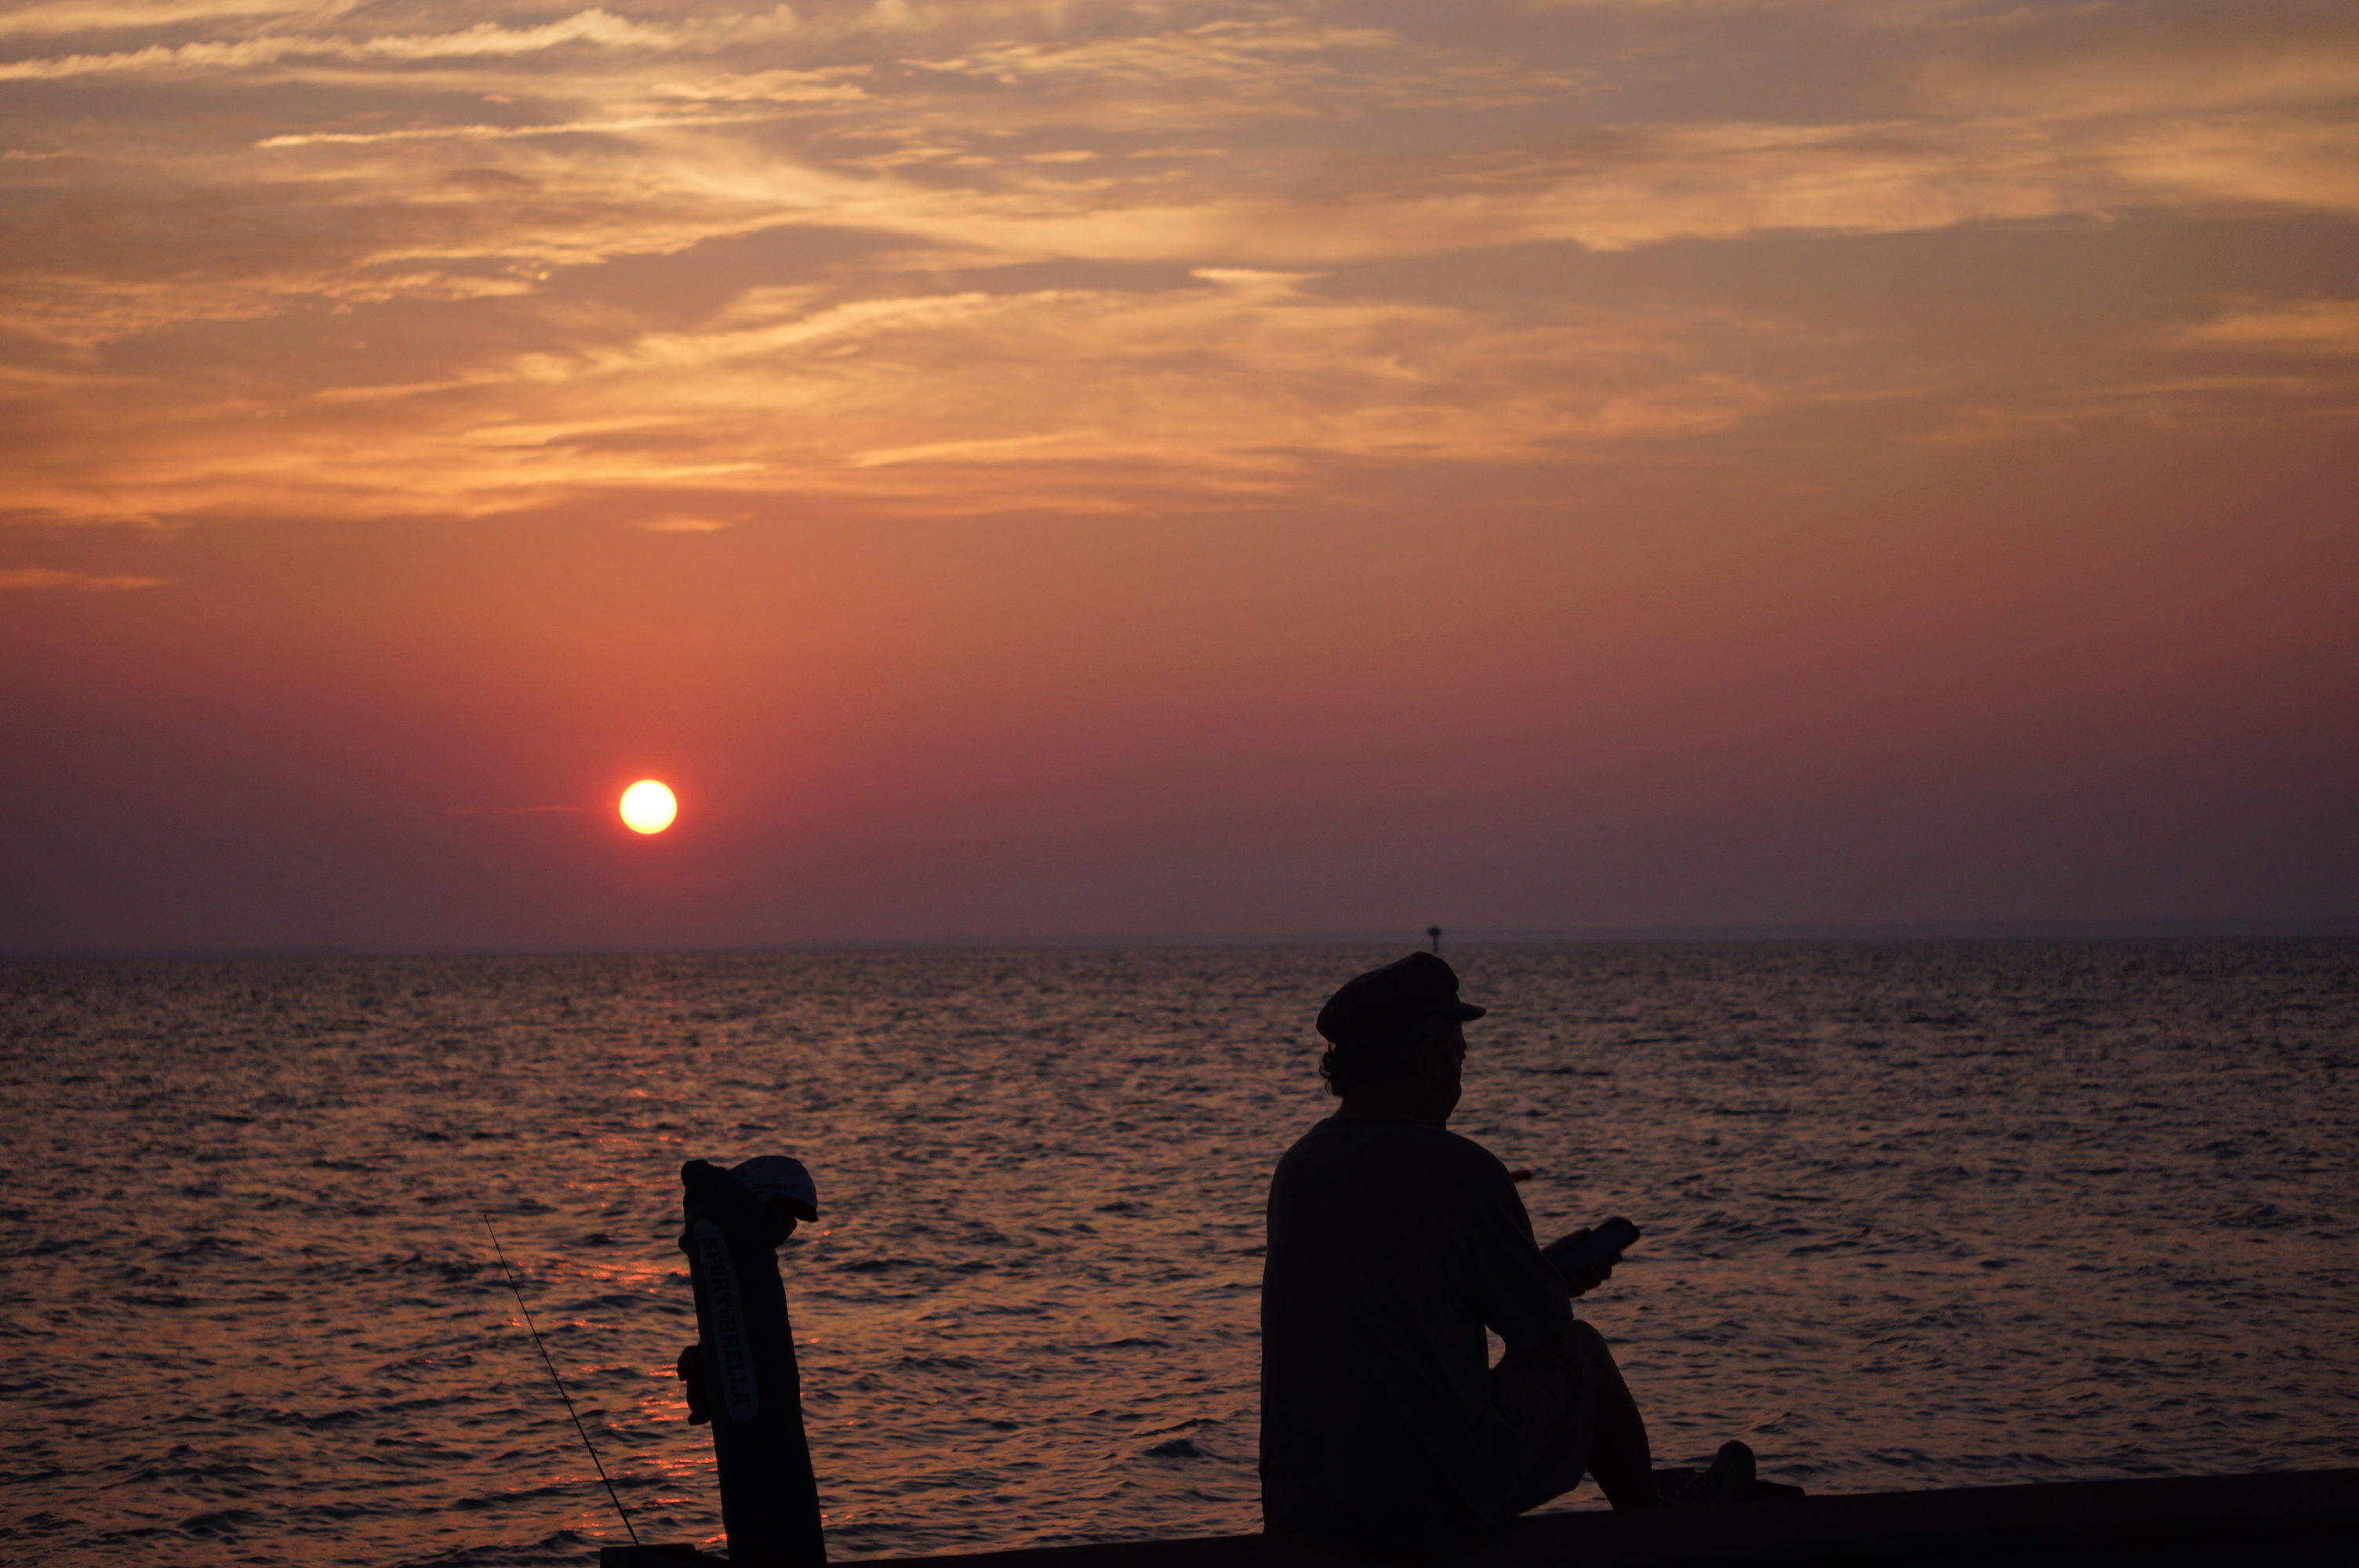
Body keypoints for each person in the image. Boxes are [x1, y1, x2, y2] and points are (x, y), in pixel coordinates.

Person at [1259, 953, 1747, 1556]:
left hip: (1304, 1504)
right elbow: (1541, 1327)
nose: (1462, 1075)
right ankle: (1658, 1527)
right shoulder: (1461, 1168)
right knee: (1583, 1351)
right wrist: (1547, 1280)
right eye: (1459, 1055)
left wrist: (1534, 1273)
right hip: (1428, 1500)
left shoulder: (1298, 1168)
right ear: (1423, 1061)